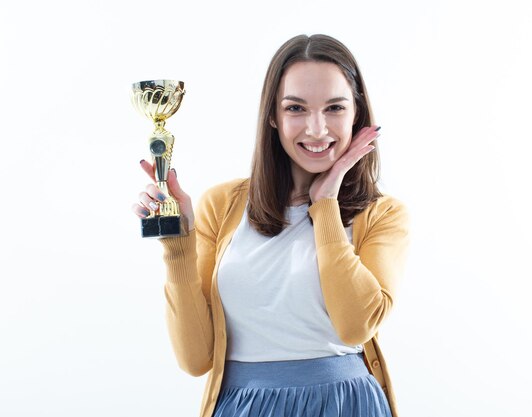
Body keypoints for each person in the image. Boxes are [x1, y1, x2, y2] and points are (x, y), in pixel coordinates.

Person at [132, 34, 410, 417]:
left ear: (356, 114)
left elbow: (355, 326)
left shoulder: (382, 214)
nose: (316, 128)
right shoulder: (224, 205)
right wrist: (177, 245)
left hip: (346, 405)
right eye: (296, 108)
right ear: (273, 117)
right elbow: (196, 359)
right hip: (243, 406)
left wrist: (325, 204)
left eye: (334, 108)